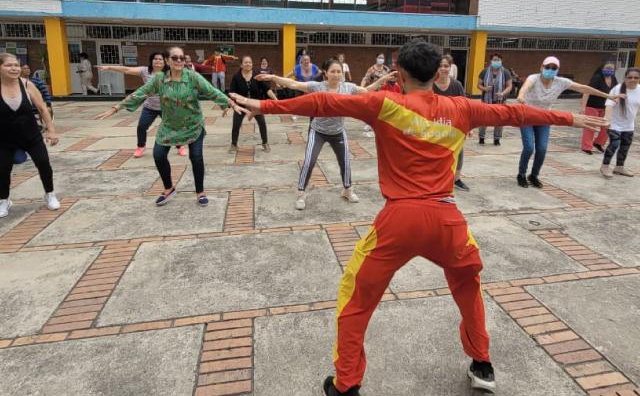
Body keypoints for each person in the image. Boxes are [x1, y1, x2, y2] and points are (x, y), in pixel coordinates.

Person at [230, 39, 607, 396]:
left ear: (399, 71)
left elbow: (324, 104)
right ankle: (482, 364)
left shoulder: (385, 104)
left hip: (399, 221)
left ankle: (346, 384)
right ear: (436, 71)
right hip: (447, 221)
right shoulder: (462, 107)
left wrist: (263, 106)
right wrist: (570, 120)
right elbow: (514, 112)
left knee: (355, 296)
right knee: (468, 286)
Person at [96, 46, 246, 207]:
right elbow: (141, 92)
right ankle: (169, 188)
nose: (179, 61)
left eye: (181, 58)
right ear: (168, 61)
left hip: (193, 125)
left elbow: (213, 92)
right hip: (169, 126)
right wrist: (116, 108)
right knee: (158, 155)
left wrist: (230, 103)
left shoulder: (193, 77)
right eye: (175, 58)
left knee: (196, 157)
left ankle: (200, 192)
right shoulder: (160, 78)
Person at [256, 59, 392, 210]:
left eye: (339, 71)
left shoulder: (348, 88)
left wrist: (383, 80)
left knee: (345, 162)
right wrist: (274, 78)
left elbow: (367, 90)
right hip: (318, 131)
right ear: (326, 73)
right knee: (309, 161)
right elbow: (294, 84)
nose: (336, 74)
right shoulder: (318, 86)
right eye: (332, 71)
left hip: (338, 132)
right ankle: (301, 193)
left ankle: (347, 190)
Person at [516, 56, 622, 188]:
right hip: (527, 116)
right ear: (541, 67)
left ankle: (534, 175)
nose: (550, 70)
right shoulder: (534, 78)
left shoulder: (561, 82)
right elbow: (526, 86)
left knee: (542, 149)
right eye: (547, 67)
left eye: (554, 68)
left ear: (557, 70)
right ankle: (521, 174)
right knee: (529, 147)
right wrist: (521, 95)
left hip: (545, 118)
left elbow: (584, 88)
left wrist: (608, 96)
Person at [1, 53, 60, 218]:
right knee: (3, 169)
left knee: (43, 163)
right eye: (9, 65)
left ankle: (50, 194)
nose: (14, 68)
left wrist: (51, 130)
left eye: (16, 65)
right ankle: (4, 200)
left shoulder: (27, 85)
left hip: (31, 135)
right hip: (4, 139)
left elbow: (42, 108)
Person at [96, 53, 187, 158]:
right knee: (142, 126)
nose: (157, 61)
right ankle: (140, 147)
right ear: (151, 61)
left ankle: (180, 146)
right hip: (150, 107)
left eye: (160, 59)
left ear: (165, 61)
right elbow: (126, 70)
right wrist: (109, 67)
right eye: (155, 59)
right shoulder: (145, 71)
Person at [434, 55, 470, 191]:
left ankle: (457, 179)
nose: (443, 69)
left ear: (451, 67)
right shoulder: (429, 84)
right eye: (441, 66)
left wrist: (468, 126)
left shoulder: (456, 85)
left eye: (446, 66)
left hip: (453, 124)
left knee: (459, 150)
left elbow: (464, 106)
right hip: (434, 126)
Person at [228, 56, 278, 153]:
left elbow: (267, 89)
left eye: (250, 62)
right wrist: (229, 105)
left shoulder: (256, 75)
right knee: (236, 124)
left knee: (262, 123)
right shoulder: (236, 77)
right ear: (241, 65)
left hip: (256, 104)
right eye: (246, 62)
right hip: (241, 105)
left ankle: (265, 143)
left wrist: (276, 99)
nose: (248, 64)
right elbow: (232, 92)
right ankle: (234, 144)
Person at [600, 67, 640, 179]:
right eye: (630, 77)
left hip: (629, 125)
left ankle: (619, 167)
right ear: (625, 78)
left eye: (636, 78)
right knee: (615, 143)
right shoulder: (618, 89)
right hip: (614, 123)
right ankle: (605, 166)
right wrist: (607, 120)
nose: (633, 79)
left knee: (625, 146)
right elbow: (608, 105)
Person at [581, 61, 617, 154]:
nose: (609, 70)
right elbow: (586, 91)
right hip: (592, 106)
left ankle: (598, 143)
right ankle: (586, 147)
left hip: (605, 107)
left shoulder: (613, 78)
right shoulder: (597, 78)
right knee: (591, 126)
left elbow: (615, 92)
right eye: (607, 68)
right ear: (602, 68)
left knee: (606, 126)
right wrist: (583, 107)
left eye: (611, 69)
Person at [477, 53, 512, 146]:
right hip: (486, 100)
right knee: (483, 119)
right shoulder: (484, 71)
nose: (496, 61)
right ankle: (481, 137)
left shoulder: (506, 72)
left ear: (501, 61)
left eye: (498, 60)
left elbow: (509, 86)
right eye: (494, 60)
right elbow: (478, 85)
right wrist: (485, 89)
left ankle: (497, 139)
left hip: (500, 100)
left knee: (500, 120)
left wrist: (503, 93)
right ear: (491, 61)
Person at [361, 53, 390, 136]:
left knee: (382, 109)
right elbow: (365, 78)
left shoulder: (386, 69)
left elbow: (390, 79)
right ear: (376, 58)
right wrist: (362, 88)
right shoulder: (371, 69)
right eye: (379, 57)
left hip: (384, 92)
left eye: (382, 58)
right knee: (372, 108)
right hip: (373, 92)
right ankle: (369, 124)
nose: (381, 59)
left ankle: (380, 125)